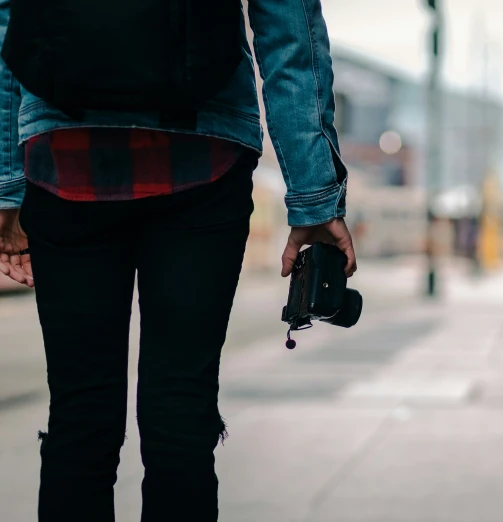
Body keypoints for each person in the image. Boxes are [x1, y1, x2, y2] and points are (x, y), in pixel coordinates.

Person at [0, 1, 356, 521]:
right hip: (202, 156)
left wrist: (8, 186)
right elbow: (288, 31)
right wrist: (314, 196)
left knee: (80, 418)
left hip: (66, 159)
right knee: (181, 416)